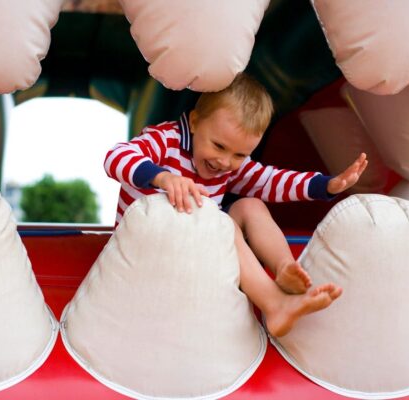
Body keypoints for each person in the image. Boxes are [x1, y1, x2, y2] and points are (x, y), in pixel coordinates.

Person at [104, 73, 368, 337]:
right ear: (195, 122)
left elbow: (270, 180)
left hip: (195, 258)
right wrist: (163, 177)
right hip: (143, 252)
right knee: (224, 221)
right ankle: (274, 303)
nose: (225, 162)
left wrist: (326, 185)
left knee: (250, 205)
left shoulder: (229, 168)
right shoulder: (166, 140)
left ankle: (285, 268)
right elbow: (115, 157)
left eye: (240, 154)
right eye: (218, 146)